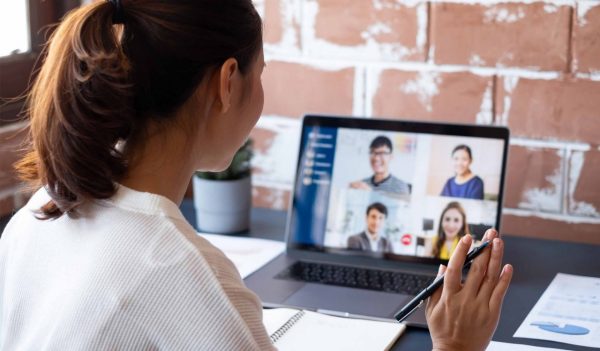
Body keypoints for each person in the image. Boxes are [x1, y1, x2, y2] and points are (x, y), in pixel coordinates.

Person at [0, 1, 512, 350]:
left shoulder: (37, 214)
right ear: (227, 82)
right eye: (260, 73)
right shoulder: (178, 272)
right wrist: (456, 346)